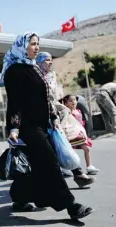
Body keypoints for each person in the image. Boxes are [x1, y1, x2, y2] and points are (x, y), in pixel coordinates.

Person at [0, 32, 93, 219]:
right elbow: (15, 102)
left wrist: (53, 117)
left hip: (43, 125)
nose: (37, 47)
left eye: (38, 44)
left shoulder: (32, 67)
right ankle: (70, 205)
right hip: (27, 128)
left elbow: (44, 98)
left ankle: (19, 197)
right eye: (33, 44)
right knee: (50, 163)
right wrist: (14, 128)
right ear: (22, 46)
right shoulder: (14, 71)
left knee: (36, 165)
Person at [36, 52, 96, 185]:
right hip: (39, 120)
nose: (50, 62)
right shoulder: (34, 78)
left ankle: (78, 175)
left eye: (51, 59)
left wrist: (60, 113)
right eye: (47, 60)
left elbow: (51, 100)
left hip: (53, 120)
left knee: (62, 146)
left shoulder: (50, 76)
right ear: (39, 62)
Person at [62, 94, 100, 175]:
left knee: (87, 149)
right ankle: (65, 168)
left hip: (80, 135)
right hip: (70, 135)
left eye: (75, 100)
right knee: (69, 153)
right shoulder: (66, 112)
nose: (73, 102)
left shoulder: (78, 111)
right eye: (70, 100)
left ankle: (89, 166)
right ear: (66, 103)